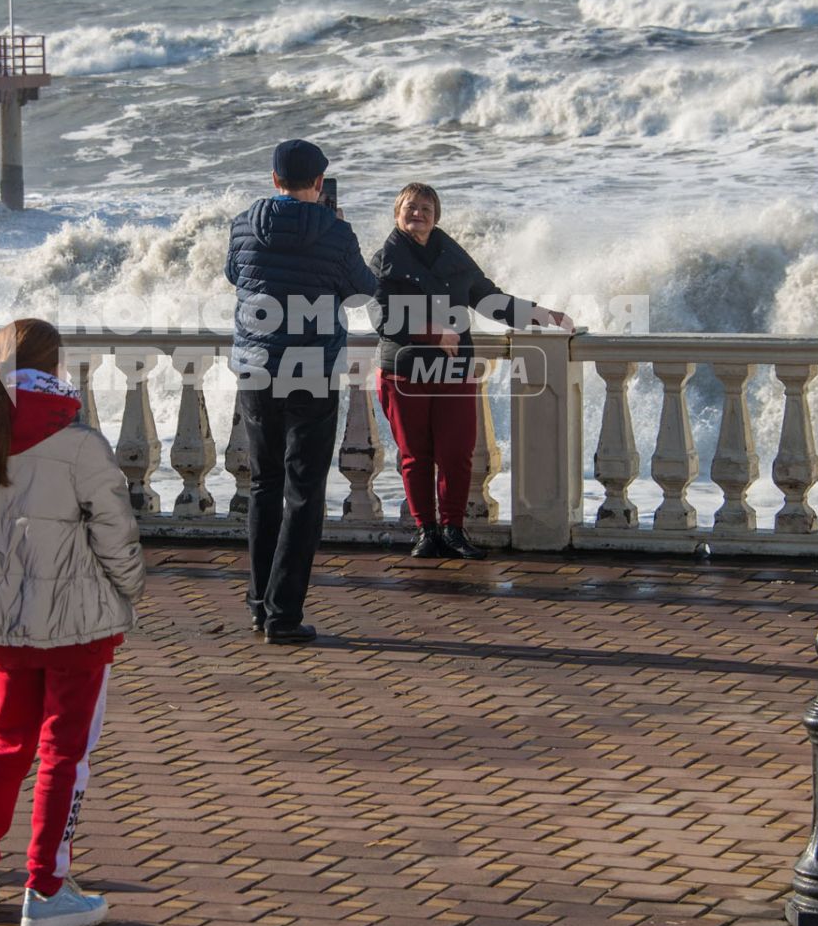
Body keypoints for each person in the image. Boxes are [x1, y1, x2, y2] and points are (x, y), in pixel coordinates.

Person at [0, 318, 144, 926]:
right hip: (76, 624)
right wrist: (127, 590)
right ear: (56, 368)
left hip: (2, 625)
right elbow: (116, 535)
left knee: (6, 741)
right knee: (64, 754)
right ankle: (46, 888)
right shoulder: (77, 442)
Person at [225, 139, 378, 645]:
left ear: (274, 180)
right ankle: (283, 614)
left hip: (256, 369)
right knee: (303, 490)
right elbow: (360, 291)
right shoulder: (335, 231)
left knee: (264, 485)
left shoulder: (245, 223)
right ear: (319, 184)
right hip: (310, 368)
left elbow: (234, 274)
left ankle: (256, 603)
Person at [370, 183, 571, 559]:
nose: (418, 213)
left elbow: (491, 300)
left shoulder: (454, 256)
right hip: (404, 372)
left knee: (457, 453)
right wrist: (432, 332)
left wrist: (545, 315)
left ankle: (453, 530)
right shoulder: (384, 260)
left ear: (437, 216)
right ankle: (425, 532)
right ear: (397, 214)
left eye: (426, 208)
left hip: (454, 369)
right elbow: (381, 318)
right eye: (410, 207)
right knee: (415, 455)